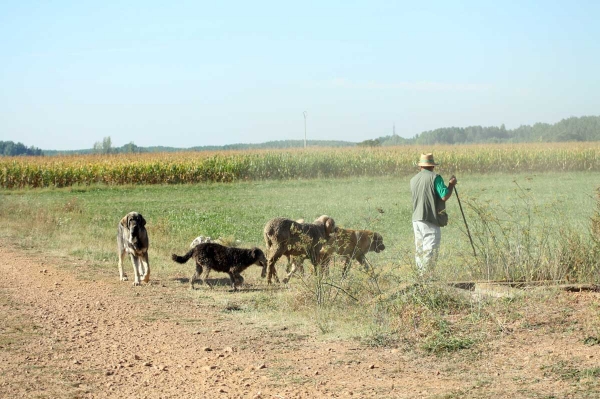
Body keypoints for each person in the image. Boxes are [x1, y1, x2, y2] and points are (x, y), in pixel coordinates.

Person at [410, 153, 457, 276]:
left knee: (419, 250)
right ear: (432, 166)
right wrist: (451, 185)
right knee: (430, 249)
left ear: (420, 166)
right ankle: (427, 278)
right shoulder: (435, 177)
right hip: (430, 219)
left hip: (416, 219)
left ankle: (420, 276)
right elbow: (444, 195)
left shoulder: (413, 179)